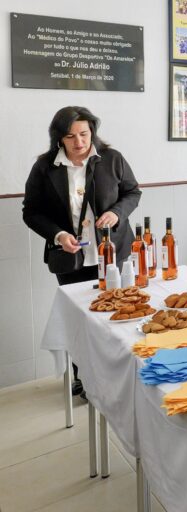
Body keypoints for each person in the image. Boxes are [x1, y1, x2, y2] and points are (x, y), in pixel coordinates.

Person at [22, 106, 141, 396]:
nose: (79, 142)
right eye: (71, 136)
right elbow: (31, 212)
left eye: (85, 134)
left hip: (112, 253)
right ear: (59, 139)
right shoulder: (44, 167)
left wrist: (116, 213)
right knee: (79, 320)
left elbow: (132, 192)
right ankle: (83, 378)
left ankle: (115, 377)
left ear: (93, 132)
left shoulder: (111, 159)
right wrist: (58, 234)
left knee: (116, 315)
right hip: (69, 256)